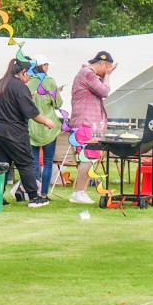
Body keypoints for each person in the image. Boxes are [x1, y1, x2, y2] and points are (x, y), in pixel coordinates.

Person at [0, 58, 58, 207]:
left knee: (2, 165)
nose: (31, 77)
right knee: (25, 163)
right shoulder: (19, 86)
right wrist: (46, 121)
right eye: (30, 74)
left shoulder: (1, 83)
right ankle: (34, 198)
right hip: (14, 132)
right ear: (23, 72)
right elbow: (31, 111)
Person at [67, 50, 117, 204]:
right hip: (85, 123)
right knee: (87, 157)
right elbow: (104, 91)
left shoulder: (88, 74)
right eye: (107, 68)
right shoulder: (88, 73)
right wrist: (108, 76)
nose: (107, 72)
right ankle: (78, 193)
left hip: (89, 124)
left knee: (92, 157)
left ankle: (81, 192)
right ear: (102, 64)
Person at [26, 55, 63, 197]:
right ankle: (44, 194)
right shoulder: (50, 81)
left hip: (32, 127)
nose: (48, 67)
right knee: (48, 162)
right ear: (43, 66)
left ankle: (34, 192)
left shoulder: (28, 82)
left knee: (33, 162)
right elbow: (58, 103)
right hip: (49, 127)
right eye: (47, 64)